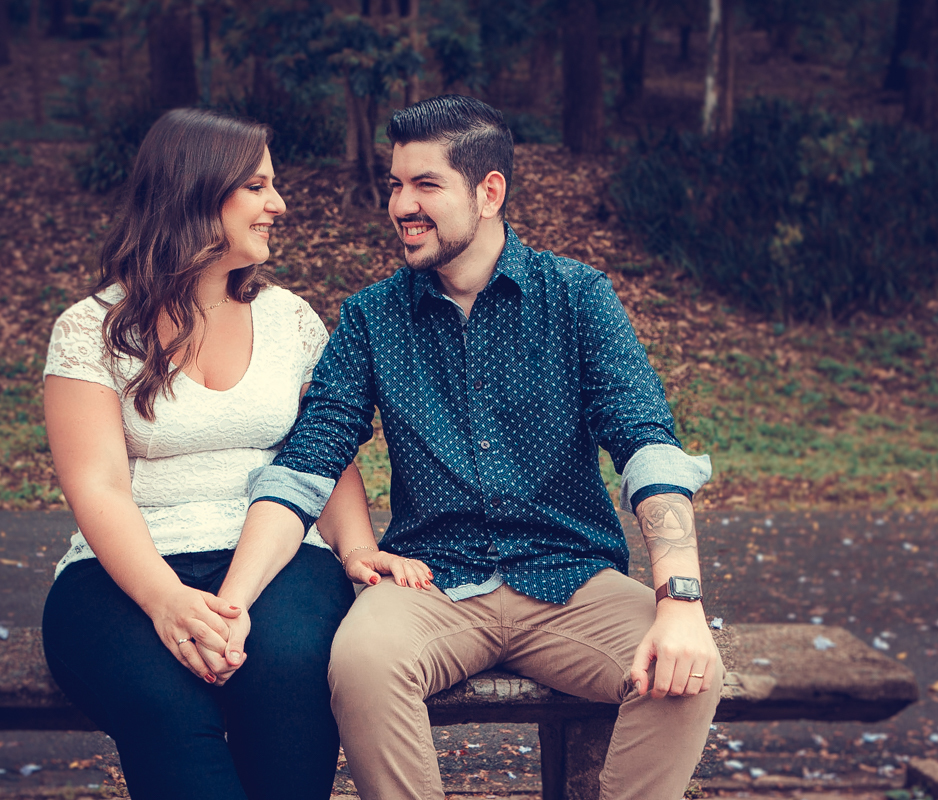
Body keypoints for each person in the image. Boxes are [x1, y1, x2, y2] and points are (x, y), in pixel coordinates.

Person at [234, 94, 723, 800]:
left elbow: (647, 445)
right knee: (363, 661)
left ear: (488, 191)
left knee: (685, 672)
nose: (401, 204)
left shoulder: (578, 297)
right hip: (428, 582)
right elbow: (309, 461)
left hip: (571, 580)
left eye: (425, 184)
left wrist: (679, 600)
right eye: (396, 184)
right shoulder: (372, 317)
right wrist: (236, 600)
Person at [40, 107, 432, 800]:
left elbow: (325, 452)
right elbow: (97, 486)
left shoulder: (290, 321)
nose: (278, 204)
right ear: (196, 190)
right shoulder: (90, 330)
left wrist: (355, 546)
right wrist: (166, 601)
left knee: (291, 668)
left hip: (278, 559)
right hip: (125, 569)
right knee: (165, 701)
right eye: (257, 186)